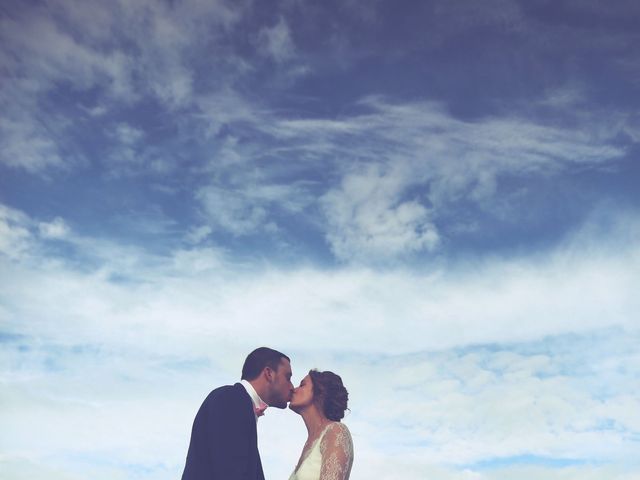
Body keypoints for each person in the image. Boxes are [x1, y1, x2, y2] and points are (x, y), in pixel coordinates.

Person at [181, 347, 294, 480]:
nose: (292, 387)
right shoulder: (231, 399)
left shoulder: (236, 401)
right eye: (288, 377)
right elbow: (231, 472)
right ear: (269, 373)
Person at [288, 369, 354, 480]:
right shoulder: (308, 443)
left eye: (302, 385)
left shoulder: (335, 431)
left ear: (320, 393)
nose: (294, 390)